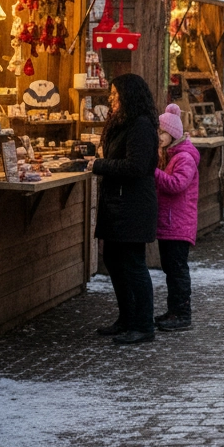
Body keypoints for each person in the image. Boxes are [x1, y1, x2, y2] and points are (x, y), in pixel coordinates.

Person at [90, 74, 160, 345]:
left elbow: (137, 167)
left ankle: (143, 325)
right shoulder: (121, 124)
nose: (111, 99)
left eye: (116, 95)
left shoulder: (140, 126)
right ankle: (127, 317)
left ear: (128, 97)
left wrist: (98, 165)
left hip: (132, 205)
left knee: (133, 265)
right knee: (114, 261)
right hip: (118, 203)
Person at [153, 104, 200, 332]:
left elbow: (177, 184)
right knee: (171, 269)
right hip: (170, 223)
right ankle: (174, 311)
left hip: (178, 224)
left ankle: (182, 313)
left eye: (162, 133)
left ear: (172, 134)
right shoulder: (171, 155)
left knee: (177, 269)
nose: (158, 137)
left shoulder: (184, 157)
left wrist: (153, 172)